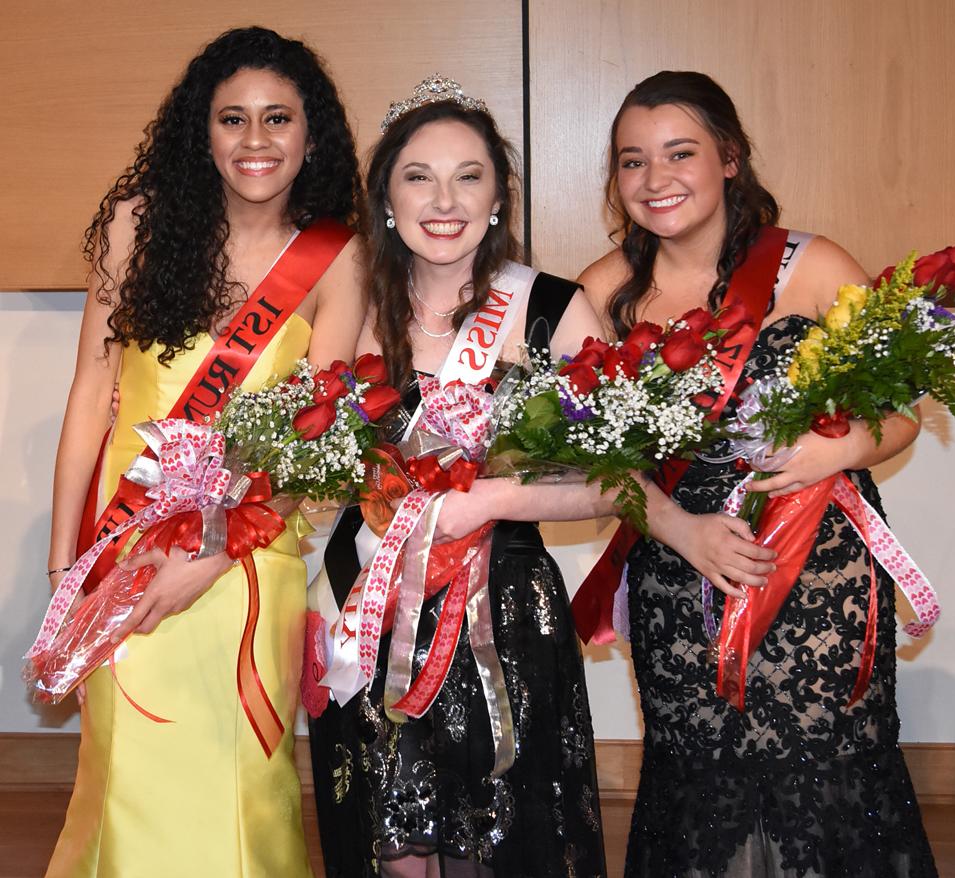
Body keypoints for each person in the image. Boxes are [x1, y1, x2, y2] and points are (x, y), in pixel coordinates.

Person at [579, 71, 938, 876]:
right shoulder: (602, 295)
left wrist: (836, 450)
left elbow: (906, 407)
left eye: (680, 153)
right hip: (683, 573)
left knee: (826, 777)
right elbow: (591, 463)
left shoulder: (812, 266)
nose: (655, 179)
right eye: (632, 162)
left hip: (819, 574)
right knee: (702, 784)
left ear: (730, 159)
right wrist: (680, 530)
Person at [44, 27, 364, 877]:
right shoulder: (134, 227)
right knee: (124, 776)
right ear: (203, 131)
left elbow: (317, 445)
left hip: (248, 563)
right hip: (126, 546)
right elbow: (90, 396)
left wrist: (215, 555)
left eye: (277, 119)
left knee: (235, 782)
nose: (255, 141)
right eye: (232, 119)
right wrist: (62, 566)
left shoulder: (336, 257)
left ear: (310, 134)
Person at [309, 78, 609, 877]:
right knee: (395, 846)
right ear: (386, 198)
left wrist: (497, 499)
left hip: (505, 614)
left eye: (468, 176)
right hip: (371, 603)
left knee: (497, 844)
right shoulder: (353, 311)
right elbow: (316, 470)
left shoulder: (552, 307)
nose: (444, 199)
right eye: (418, 176)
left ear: (499, 196)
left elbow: (619, 481)